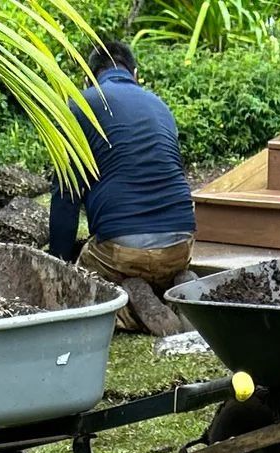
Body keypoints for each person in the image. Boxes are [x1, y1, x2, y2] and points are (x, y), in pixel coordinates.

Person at [48, 41, 196, 331]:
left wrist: (59, 265)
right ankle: (179, 292)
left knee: (85, 291)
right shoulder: (160, 106)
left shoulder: (80, 105)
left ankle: (131, 307)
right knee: (161, 264)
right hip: (181, 243)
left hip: (122, 251)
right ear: (135, 74)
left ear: (88, 78)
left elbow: (65, 196)